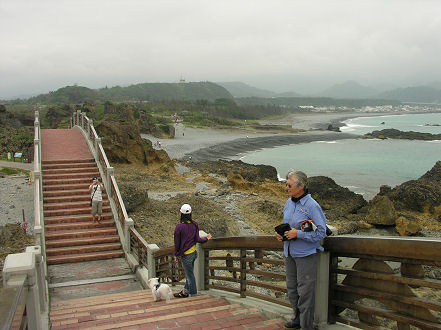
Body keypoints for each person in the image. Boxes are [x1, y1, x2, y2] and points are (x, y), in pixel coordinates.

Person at [275, 170, 327, 330]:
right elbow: (288, 226)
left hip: (306, 255)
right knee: (292, 290)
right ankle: (296, 319)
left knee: (305, 293)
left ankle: (307, 326)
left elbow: (320, 232)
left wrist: (298, 234)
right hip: (289, 253)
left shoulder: (312, 206)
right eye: (286, 184)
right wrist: (281, 235)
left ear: (301, 186)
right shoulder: (289, 203)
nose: (286, 187)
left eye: (289, 185)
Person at [173, 203, 212, 298]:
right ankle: (185, 292)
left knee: (190, 276)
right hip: (193, 254)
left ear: (181, 214)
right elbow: (198, 239)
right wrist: (207, 238)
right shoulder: (195, 225)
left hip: (186, 256)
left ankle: (193, 295)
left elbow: (177, 243)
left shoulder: (179, 227)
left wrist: (176, 255)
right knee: (189, 273)